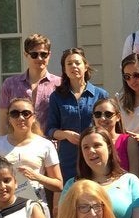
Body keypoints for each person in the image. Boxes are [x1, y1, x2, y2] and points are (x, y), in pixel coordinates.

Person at [61, 126, 139, 218]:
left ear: (109, 147)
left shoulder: (130, 180)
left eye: (97, 145)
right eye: (85, 147)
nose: (91, 150)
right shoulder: (72, 185)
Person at [0, 97, 63, 218]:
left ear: (33, 117)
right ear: (9, 118)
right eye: (15, 113)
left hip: (35, 207)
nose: (20, 118)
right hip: (5, 209)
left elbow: (58, 185)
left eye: (26, 113)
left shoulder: (45, 145)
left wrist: (36, 176)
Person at [47, 47, 109, 184]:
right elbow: (50, 129)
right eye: (69, 64)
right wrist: (65, 135)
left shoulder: (100, 95)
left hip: (94, 155)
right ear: (64, 69)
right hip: (69, 158)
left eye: (77, 63)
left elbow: (108, 127)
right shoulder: (56, 97)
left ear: (86, 66)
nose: (73, 66)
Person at [0, 33, 61, 135]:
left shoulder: (59, 84)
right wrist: (3, 147)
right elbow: (3, 122)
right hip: (19, 146)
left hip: (51, 145)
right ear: (26, 55)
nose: (39, 58)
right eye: (34, 55)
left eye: (43, 54)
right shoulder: (10, 84)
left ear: (49, 55)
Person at [91, 98, 137, 175]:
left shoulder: (128, 141)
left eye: (108, 114)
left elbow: (135, 174)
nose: (102, 118)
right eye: (98, 114)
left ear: (118, 117)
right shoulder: (88, 142)